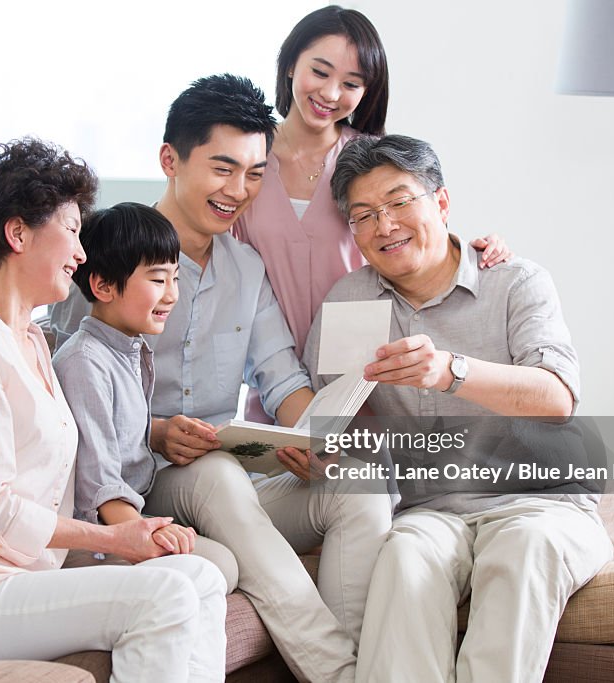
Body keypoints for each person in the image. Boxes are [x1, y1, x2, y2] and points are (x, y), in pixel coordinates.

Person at [51, 75, 392, 683]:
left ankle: (357, 658)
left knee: (358, 485)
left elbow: (282, 378)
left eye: (255, 174)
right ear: (170, 160)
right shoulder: (104, 258)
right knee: (216, 476)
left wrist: (314, 437)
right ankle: (340, 674)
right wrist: (154, 432)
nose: (238, 191)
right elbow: (64, 394)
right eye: (222, 168)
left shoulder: (246, 267)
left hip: (225, 476)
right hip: (140, 485)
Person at [0, 139, 227, 683]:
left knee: (203, 578)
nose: (81, 254)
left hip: (7, 578)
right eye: (73, 231)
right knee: (165, 592)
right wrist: (112, 539)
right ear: (18, 233)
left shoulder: (30, 340)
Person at [302, 134, 614, 682]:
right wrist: (328, 442)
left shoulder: (514, 281)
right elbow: (337, 420)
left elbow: (557, 396)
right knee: (402, 560)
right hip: (432, 510)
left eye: (400, 202)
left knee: (522, 551)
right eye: (364, 215)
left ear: (441, 202)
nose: (385, 225)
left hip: (542, 503)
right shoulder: (351, 302)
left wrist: (451, 372)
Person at [233, 5, 510, 422]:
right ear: (291, 65)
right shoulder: (245, 158)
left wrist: (481, 249)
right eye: (320, 72)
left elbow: (414, 231)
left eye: (351, 83)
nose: (330, 94)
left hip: (364, 378)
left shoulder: (367, 161)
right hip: (271, 378)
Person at [52, 202, 239, 592]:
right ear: (103, 286)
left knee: (224, 544)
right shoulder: (84, 362)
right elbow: (98, 484)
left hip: (138, 502)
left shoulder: (130, 349)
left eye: (175, 278)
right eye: (157, 280)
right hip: (105, 527)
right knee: (220, 565)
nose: (172, 295)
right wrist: (141, 533)